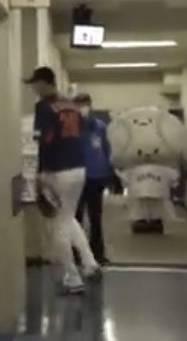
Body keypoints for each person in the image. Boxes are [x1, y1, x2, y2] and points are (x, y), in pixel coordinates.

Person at [25, 67, 101, 294]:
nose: (33, 89)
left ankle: (72, 277)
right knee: (68, 218)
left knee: (57, 225)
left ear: (44, 83)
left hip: (57, 170)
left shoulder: (43, 107)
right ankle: (90, 263)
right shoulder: (71, 105)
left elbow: (44, 142)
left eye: (35, 84)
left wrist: (40, 174)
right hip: (78, 168)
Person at [73, 93, 111, 265]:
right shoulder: (72, 128)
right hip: (77, 176)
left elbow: (106, 149)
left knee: (96, 217)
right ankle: (77, 253)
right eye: (79, 104)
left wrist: (108, 170)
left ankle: (98, 253)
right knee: (77, 217)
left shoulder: (99, 126)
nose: (83, 108)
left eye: (85, 104)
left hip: (96, 176)